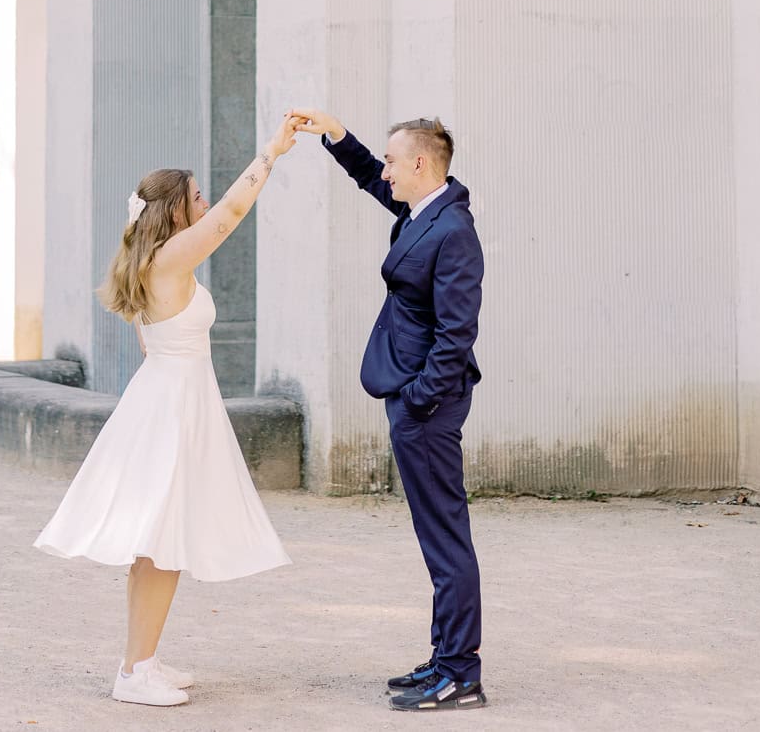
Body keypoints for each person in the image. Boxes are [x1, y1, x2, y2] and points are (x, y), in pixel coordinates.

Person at [34, 114, 297, 707]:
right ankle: (134, 671)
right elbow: (231, 215)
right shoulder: (174, 257)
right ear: (176, 211)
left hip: (170, 397)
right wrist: (270, 155)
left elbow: (150, 341)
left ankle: (142, 658)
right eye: (196, 195)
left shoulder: (157, 258)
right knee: (162, 542)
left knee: (162, 540)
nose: (205, 201)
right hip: (174, 405)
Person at [291, 109, 486, 712]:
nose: (388, 170)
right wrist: (336, 137)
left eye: (395, 160)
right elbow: (372, 180)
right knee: (436, 538)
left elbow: (457, 334)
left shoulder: (453, 230)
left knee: (446, 539)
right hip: (410, 396)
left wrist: (418, 400)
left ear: (422, 163)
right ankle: (443, 657)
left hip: (427, 405)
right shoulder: (422, 209)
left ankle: (461, 672)